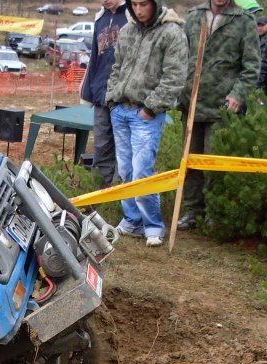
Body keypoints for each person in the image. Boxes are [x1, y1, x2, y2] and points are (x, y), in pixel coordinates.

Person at [104, 0, 188, 247]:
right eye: (135, 4)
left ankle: (153, 226)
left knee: (142, 171)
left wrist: (150, 109)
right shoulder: (127, 30)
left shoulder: (172, 33)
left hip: (146, 114)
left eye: (144, 4)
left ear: (155, 4)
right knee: (125, 170)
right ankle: (132, 220)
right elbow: (116, 68)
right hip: (120, 110)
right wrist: (112, 100)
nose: (139, 10)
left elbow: (175, 77)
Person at [176, 0, 260, 230]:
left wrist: (238, 94)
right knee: (189, 161)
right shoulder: (194, 16)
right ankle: (193, 211)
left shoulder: (244, 21)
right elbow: (180, 56)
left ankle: (214, 213)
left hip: (222, 107)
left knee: (214, 162)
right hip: (191, 103)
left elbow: (252, 66)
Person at [80, 0, 130, 188]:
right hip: (101, 94)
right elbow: (94, 57)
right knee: (101, 147)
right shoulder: (100, 19)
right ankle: (100, 194)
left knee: (123, 148)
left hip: (124, 96)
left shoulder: (132, 15)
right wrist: (88, 91)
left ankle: (119, 195)